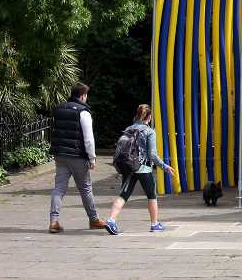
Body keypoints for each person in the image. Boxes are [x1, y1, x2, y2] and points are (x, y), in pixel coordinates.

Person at [104, 104, 175, 235]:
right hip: (143, 168)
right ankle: (154, 224)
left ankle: (111, 220)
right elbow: (152, 154)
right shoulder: (149, 131)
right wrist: (164, 166)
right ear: (149, 117)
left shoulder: (128, 129)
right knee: (151, 196)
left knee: (123, 195)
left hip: (129, 167)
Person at [48, 83, 107, 233]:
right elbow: (88, 138)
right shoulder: (83, 112)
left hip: (60, 154)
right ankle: (94, 220)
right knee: (85, 188)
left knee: (59, 188)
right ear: (82, 96)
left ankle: (53, 221)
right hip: (77, 155)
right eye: (86, 95)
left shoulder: (58, 109)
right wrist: (92, 158)